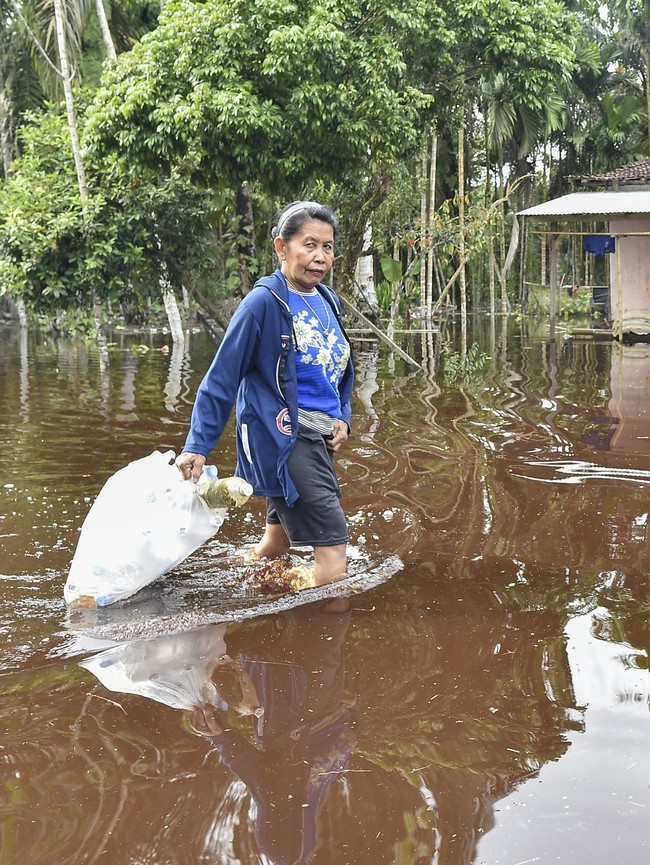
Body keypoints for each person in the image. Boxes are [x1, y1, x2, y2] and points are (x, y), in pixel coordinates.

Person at [176, 200, 354, 585]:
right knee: (334, 556)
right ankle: (314, 635)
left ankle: (233, 588)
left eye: (327, 247)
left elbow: (337, 370)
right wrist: (197, 445)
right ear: (281, 247)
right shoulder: (262, 304)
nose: (320, 256)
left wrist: (343, 417)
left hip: (319, 438)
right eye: (309, 245)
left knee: (275, 544)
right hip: (287, 439)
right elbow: (222, 377)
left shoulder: (328, 300)